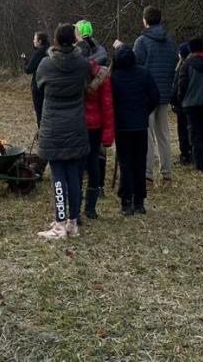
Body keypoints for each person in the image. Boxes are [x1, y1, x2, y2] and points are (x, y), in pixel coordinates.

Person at [35, 23, 91, 239]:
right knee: (74, 175)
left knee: (58, 175)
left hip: (54, 125)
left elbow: (39, 87)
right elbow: (86, 82)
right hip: (76, 124)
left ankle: (59, 224)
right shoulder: (82, 64)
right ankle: (72, 222)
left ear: (56, 40)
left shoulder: (46, 64)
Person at [110, 46, 159, 214]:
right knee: (139, 163)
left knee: (126, 164)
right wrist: (145, 111)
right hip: (139, 126)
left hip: (122, 127)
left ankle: (126, 201)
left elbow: (111, 102)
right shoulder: (144, 73)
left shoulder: (114, 78)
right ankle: (139, 201)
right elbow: (155, 97)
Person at [133, 6, 178, 182]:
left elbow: (136, 68)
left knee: (148, 135)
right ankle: (167, 173)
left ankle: (147, 174)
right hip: (164, 92)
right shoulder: (169, 42)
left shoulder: (141, 42)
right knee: (164, 134)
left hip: (146, 95)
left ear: (145, 20)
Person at [176, 37, 203, 172]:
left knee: (195, 133)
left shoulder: (187, 64)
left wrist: (180, 99)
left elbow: (182, 84)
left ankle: (199, 163)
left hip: (191, 103)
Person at [82, 52, 115, 218]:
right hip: (95, 126)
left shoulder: (73, 73)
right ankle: (90, 207)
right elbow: (107, 105)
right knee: (93, 162)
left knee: (78, 165)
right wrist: (108, 135)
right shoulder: (102, 74)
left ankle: (74, 206)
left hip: (78, 125)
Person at [21, 32, 50, 125]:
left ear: (40, 41)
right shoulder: (50, 51)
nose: (33, 41)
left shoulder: (38, 53)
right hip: (50, 87)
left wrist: (25, 62)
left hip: (38, 88)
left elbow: (29, 69)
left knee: (40, 114)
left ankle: (41, 134)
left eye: (35, 39)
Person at [174, 41, 193, 165]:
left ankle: (185, 155)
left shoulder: (181, 67)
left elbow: (178, 86)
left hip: (183, 104)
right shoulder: (193, 65)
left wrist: (175, 100)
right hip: (192, 102)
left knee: (183, 130)